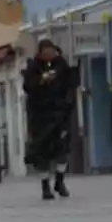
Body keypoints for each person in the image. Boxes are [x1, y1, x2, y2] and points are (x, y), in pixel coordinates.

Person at [23, 38, 76, 200]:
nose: (48, 56)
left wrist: (68, 105)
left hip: (59, 114)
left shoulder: (62, 65)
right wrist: (41, 81)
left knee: (62, 150)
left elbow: (71, 85)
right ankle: (45, 186)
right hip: (40, 116)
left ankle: (59, 181)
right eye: (45, 53)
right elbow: (27, 87)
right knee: (41, 153)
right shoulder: (33, 67)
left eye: (51, 52)